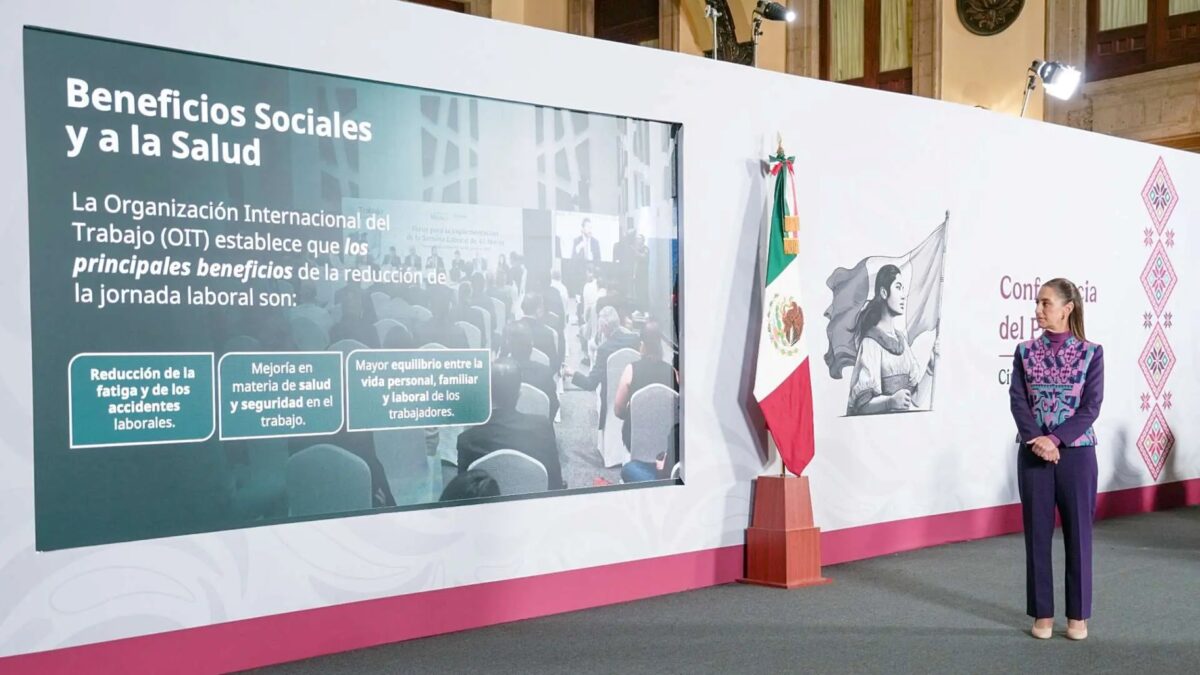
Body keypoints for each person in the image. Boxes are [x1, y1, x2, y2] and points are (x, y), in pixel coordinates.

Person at [1009, 278, 1104, 642]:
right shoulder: (1024, 351)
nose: (1038, 310)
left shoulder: (1092, 353)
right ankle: (1043, 614)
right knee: (1036, 535)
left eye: (1045, 303)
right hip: (1033, 453)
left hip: (1077, 455)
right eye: (1037, 302)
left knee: (1079, 535)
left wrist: (1055, 439)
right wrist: (1038, 439)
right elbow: (1018, 401)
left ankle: (1078, 615)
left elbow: (1090, 407)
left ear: (1067, 308)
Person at [457, 359, 564, 490]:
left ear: (486, 394)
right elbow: (555, 483)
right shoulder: (542, 427)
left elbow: (464, 492)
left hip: (489, 502)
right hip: (535, 501)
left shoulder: (466, 440)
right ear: (519, 395)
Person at [845, 264, 937, 415]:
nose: (903, 295)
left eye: (903, 289)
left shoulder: (902, 341)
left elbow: (916, 399)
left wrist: (930, 368)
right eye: (898, 287)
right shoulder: (871, 343)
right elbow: (861, 406)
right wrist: (890, 402)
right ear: (883, 292)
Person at [613, 321, 678, 482]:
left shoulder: (631, 369)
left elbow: (618, 410)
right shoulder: (672, 372)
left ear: (642, 343)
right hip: (666, 444)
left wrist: (633, 412)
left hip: (634, 440)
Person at [569, 306, 640, 427]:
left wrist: (572, 373)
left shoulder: (604, 350)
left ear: (605, 327)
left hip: (610, 403)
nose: (599, 330)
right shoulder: (635, 340)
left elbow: (591, 384)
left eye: (600, 327)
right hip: (633, 400)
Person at [503, 322, 559, 420]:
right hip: (539, 428)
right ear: (531, 344)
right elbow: (553, 406)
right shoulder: (545, 373)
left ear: (508, 344)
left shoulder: (497, 372)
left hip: (504, 429)